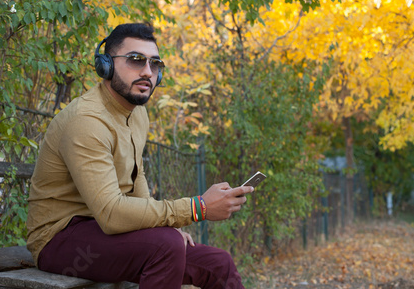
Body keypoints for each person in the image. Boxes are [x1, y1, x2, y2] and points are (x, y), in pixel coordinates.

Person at [26, 23, 254, 289]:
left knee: (219, 263)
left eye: (155, 64)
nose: (148, 71)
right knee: (165, 247)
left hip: (109, 235)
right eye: (136, 60)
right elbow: (111, 214)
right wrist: (197, 208)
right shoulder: (87, 121)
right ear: (106, 65)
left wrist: (165, 227)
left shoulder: (137, 114)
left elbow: (137, 179)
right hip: (60, 241)